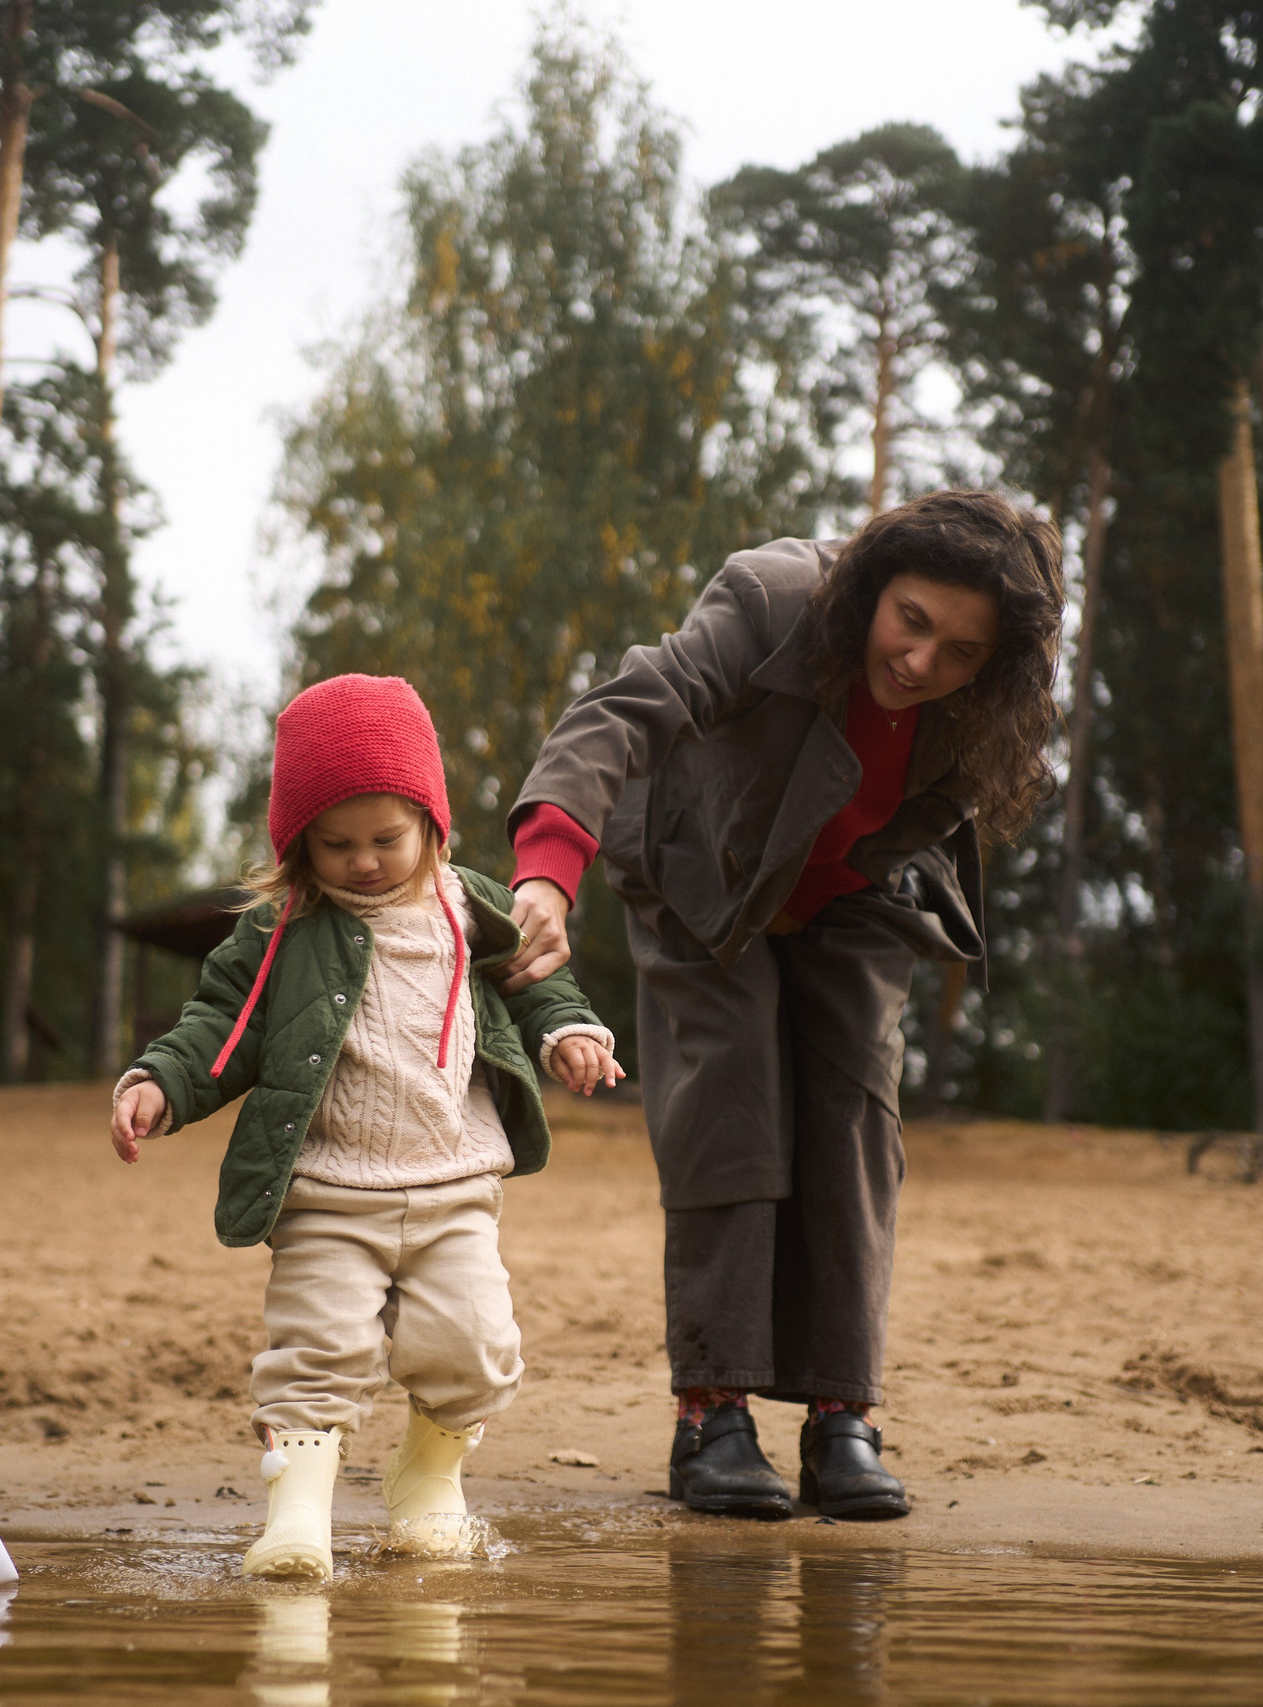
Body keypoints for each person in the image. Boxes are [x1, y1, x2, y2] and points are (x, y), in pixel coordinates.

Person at [499, 490, 1063, 1521]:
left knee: (854, 1120)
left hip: (850, 895)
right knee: (731, 1102)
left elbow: (926, 810)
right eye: (911, 622)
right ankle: (709, 1414)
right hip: (701, 873)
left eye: (963, 652)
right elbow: (623, 709)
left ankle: (841, 1415)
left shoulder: (992, 704)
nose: (923, 664)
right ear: (872, 587)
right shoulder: (772, 598)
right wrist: (546, 869)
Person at [108, 674, 622, 1579]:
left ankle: (427, 1480)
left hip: (454, 1183)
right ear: (298, 843)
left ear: (432, 820)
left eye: (388, 837)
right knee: (317, 1350)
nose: (365, 861)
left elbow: (538, 979)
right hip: (326, 1191)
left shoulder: (473, 908)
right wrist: (161, 1080)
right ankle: (297, 1515)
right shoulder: (283, 926)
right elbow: (220, 1024)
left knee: (473, 1344)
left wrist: (571, 1031)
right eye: (335, 843)